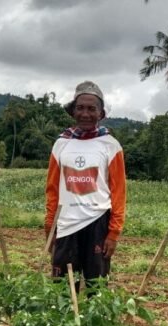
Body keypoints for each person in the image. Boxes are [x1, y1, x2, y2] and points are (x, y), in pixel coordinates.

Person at [44, 81, 126, 285]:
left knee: (96, 288)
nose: (85, 114)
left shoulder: (110, 145)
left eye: (92, 109)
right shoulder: (61, 144)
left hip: (98, 223)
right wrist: (49, 226)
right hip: (66, 225)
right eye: (80, 108)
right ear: (73, 111)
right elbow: (52, 189)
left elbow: (118, 193)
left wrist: (114, 232)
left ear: (101, 113)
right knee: (61, 288)